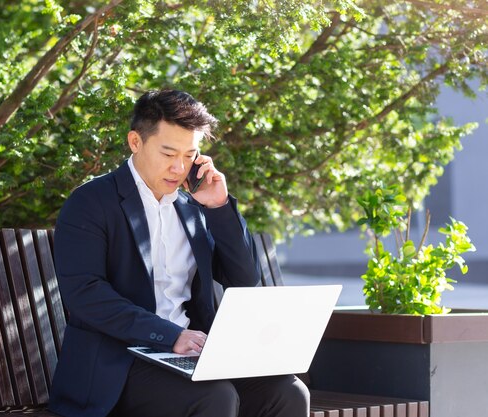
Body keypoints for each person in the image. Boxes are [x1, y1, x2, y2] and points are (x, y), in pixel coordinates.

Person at [48, 89, 309, 417]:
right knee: (215, 397)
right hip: (119, 362)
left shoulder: (192, 207)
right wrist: (171, 336)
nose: (179, 167)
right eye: (169, 153)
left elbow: (243, 277)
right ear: (135, 142)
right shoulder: (91, 202)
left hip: (190, 356)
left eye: (190, 155)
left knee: (287, 393)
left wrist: (219, 207)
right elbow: (85, 295)